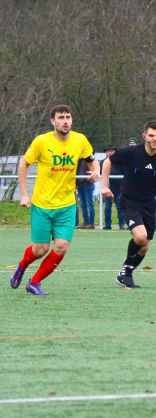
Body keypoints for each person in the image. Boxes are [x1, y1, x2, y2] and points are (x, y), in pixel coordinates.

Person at [9, 105, 97, 296]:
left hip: (67, 205)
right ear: (52, 121)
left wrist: (96, 171)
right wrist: (24, 194)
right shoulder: (41, 141)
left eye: (68, 117)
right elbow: (24, 164)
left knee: (62, 246)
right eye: (61, 117)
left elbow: (92, 160)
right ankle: (22, 265)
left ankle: (34, 282)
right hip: (42, 205)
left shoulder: (80, 140)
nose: (65, 121)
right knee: (40, 250)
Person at [100, 121, 156, 288]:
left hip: (149, 204)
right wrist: (104, 186)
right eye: (151, 135)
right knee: (140, 236)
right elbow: (108, 162)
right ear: (144, 136)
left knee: (144, 246)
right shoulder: (132, 152)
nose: (154, 139)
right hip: (129, 201)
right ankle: (126, 270)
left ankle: (126, 273)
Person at [101, 144, 125, 230]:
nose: (110, 153)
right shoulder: (102, 162)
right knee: (107, 208)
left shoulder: (120, 162)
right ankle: (108, 225)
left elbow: (124, 173)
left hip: (119, 189)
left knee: (119, 207)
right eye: (108, 151)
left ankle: (122, 224)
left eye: (112, 151)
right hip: (107, 188)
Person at [75, 153, 96, 229]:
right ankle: (86, 222)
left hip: (88, 184)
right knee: (83, 204)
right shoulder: (77, 159)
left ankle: (91, 223)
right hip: (80, 184)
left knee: (89, 204)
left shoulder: (89, 158)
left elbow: (94, 169)